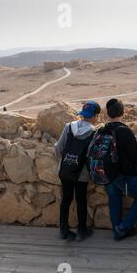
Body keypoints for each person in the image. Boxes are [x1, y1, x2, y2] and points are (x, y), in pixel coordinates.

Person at [103, 99, 137, 241]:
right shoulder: (124, 131)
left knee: (114, 199)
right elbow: (134, 156)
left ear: (108, 114)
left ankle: (117, 230)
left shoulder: (102, 129)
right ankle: (123, 228)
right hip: (123, 175)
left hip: (107, 173)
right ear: (123, 113)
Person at [54, 101, 101, 241]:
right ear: (95, 116)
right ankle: (82, 230)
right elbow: (92, 156)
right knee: (81, 200)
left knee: (66, 199)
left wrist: (67, 161)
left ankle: (63, 230)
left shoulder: (69, 127)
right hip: (82, 173)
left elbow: (58, 148)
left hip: (66, 169)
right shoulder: (94, 132)